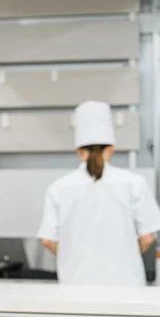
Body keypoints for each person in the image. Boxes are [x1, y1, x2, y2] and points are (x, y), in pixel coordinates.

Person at [38, 100, 160, 286]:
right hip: (126, 283)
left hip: (76, 283)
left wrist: (71, 256)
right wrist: (123, 256)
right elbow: (148, 237)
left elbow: (47, 240)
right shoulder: (133, 183)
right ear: (111, 149)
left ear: (79, 151)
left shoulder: (59, 188)